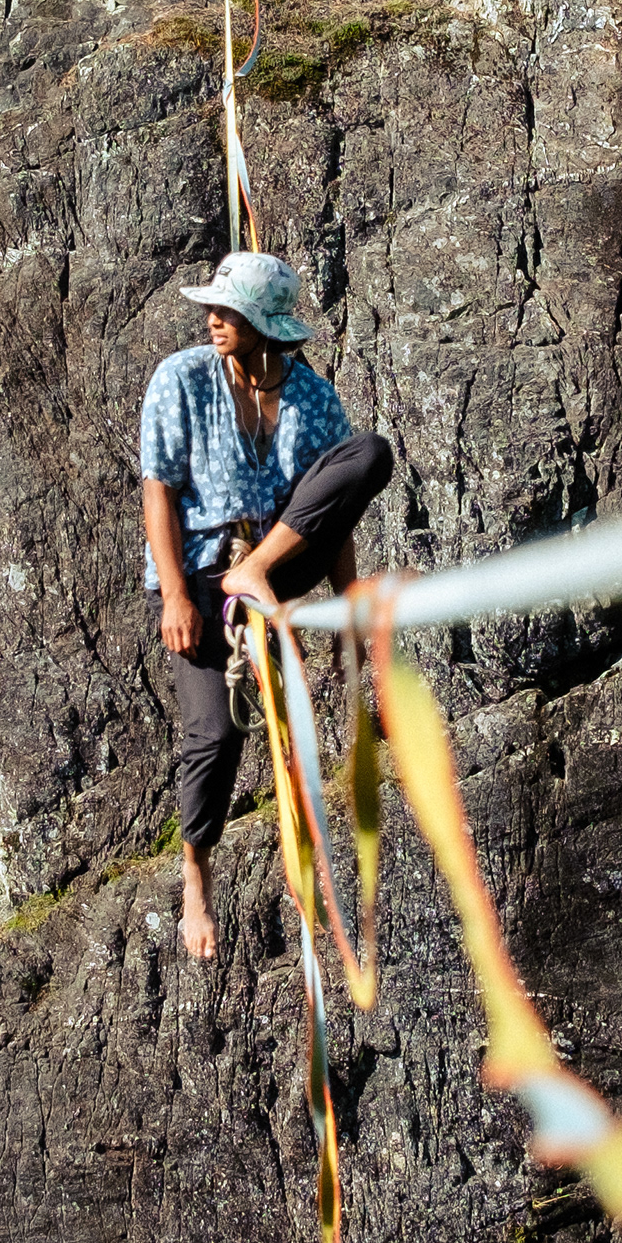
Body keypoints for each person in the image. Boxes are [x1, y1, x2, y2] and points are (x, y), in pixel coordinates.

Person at [135, 252, 394, 959]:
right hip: (201, 578)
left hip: (276, 565)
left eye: (231, 312)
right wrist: (176, 596)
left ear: (266, 326)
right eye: (213, 309)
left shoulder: (311, 399)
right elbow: (157, 491)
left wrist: (348, 614)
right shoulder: (182, 379)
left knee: (367, 453)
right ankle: (196, 873)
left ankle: (257, 571)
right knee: (216, 737)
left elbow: (333, 515)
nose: (213, 320)